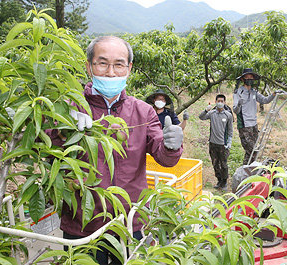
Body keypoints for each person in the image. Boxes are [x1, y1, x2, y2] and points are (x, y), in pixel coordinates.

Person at [50, 36, 184, 265]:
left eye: (119, 64)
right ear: (89, 66)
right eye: (102, 63)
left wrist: (172, 146)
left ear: (129, 68)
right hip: (82, 224)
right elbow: (47, 151)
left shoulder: (143, 112)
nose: (111, 72)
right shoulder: (69, 106)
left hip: (130, 222)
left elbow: (163, 157)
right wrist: (63, 129)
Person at [233, 68, 280, 165]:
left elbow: (265, 100)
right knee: (253, 151)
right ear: (242, 79)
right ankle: (247, 171)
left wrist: (274, 94)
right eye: (247, 77)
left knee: (251, 151)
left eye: (251, 77)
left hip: (254, 124)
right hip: (244, 125)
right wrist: (239, 104)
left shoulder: (254, 92)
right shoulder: (238, 92)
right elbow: (235, 110)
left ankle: (246, 170)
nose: (250, 79)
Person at [199, 94, 233, 190]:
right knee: (215, 163)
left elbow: (230, 130)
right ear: (215, 101)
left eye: (222, 101)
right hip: (213, 143)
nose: (220, 103)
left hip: (223, 144)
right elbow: (201, 117)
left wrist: (229, 142)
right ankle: (219, 180)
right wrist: (206, 110)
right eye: (218, 101)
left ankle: (224, 182)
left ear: (225, 102)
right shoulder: (212, 113)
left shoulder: (228, 115)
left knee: (224, 164)